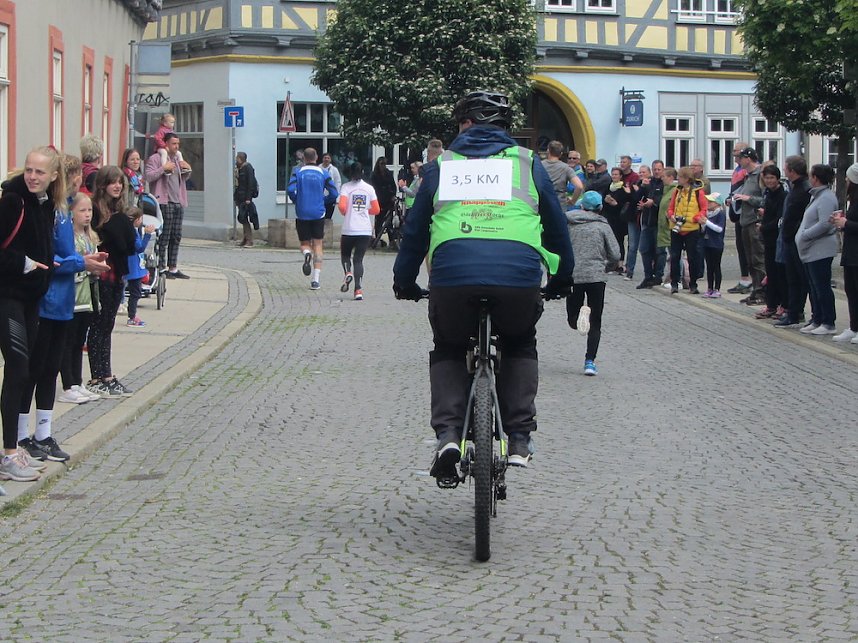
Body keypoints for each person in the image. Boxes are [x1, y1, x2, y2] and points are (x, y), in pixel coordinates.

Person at [392, 90, 574, 475]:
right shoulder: (528, 163)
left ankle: (447, 438)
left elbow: (415, 232)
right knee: (520, 340)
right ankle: (520, 439)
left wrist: (404, 281)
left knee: (448, 347)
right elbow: (557, 227)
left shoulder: (441, 165)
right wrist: (562, 278)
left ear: (465, 125)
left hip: (453, 276)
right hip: (518, 276)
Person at [0, 146, 67, 484]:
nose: (32, 176)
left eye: (40, 172)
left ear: (54, 176)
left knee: (26, 372)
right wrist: (26, 264)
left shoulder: (45, 204)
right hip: (8, 296)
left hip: (31, 298)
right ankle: (9, 453)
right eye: (29, 170)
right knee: (18, 369)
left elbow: (39, 247)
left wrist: (47, 263)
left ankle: (15, 447)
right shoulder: (13, 201)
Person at [87, 166, 138, 396]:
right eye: (113, 182)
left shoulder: (119, 212)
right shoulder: (96, 211)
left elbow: (129, 243)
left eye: (120, 182)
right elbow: (115, 239)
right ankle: (99, 376)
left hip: (118, 273)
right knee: (100, 325)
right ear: (103, 185)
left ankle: (105, 374)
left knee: (108, 325)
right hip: (102, 273)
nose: (117, 186)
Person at [564, 191, 620, 376]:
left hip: (574, 276)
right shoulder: (603, 226)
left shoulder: (569, 223)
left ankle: (578, 317)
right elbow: (615, 254)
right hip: (596, 277)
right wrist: (607, 265)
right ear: (600, 208)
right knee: (596, 321)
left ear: (581, 206)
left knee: (573, 318)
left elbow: (558, 245)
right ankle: (590, 362)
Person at [59, 193, 104, 403]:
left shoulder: (90, 237)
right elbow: (72, 265)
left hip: (88, 297)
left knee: (79, 342)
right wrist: (86, 266)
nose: (87, 215)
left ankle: (77, 381)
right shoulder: (70, 237)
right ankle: (68, 384)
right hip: (74, 298)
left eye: (90, 211)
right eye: (82, 211)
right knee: (68, 342)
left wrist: (97, 267)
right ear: (72, 213)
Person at [287, 147, 338, 290]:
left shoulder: (297, 172)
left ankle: (306, 253)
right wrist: (324, 201)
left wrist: (297, 200)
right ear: (316, 158)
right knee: (318, 245)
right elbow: (334, 193)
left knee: (304, 243)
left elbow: (290, 190)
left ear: (304, 158)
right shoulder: (323, 172)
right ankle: (315, 280)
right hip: (318, 213)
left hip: (302, 212)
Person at [796, 164, 839, 335]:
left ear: (816, 178)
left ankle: (828, 322)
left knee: (822, 287)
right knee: (814, 287)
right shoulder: (817, 196)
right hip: (811, 251)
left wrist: (805, 235)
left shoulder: (826, 197)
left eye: (811, 175)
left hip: (820, 250)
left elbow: (824, 223)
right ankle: (817, 318)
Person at [145, 132, 192, 279]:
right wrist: (163, 169)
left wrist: (187, 169)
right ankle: (161, 268)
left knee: (176, 235)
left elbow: (183, 178)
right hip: (163, 202)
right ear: (166, 144)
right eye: (173, 143)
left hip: (178, 201)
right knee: (164, 236)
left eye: (178, 144)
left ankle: (173, 268)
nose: (176, 146)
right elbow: (148, 176)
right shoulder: (155, 158)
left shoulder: (178, 159)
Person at [773, 155, 812, 328]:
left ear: (792, 171)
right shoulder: (796, 187)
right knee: (792, 278)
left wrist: (792, 233)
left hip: (796, 239)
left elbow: (799, 215)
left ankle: (796, 312)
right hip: (790, 238)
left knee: (798, 278)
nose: (784, 171)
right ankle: (793, 311)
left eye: (786, 168)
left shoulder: (803, 189)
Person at [337, 162, 380, 300]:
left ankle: (347, 272)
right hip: (364, 229)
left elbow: (342, 207)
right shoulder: (369, 188)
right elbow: (377, 210)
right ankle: (358, 290)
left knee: (345, 256)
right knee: (358, 260)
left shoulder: (346, 187)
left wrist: (348, 211)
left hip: (349, 228)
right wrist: (365, 210)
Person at [731, 147, 766, 305]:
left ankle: (762, 293)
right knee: (750, 260)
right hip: (744, 221)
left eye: (741, 157)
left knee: (758, 259)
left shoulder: (760, 175)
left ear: (749, 159)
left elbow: (765, 200)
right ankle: (755, 290)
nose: (738, 159)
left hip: (754, 222)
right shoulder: (748, 176)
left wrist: (747, 198)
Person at [667, 166, 707, 294]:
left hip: (691, 228)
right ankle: (674, 283)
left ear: (686, 178)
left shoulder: (697, 192)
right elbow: (671, 207)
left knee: (692, 257)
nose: (678, 179)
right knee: (674, 256)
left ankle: (693, 284)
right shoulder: (677, 191)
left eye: (680, 177)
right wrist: (671, 215)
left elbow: (704, 209)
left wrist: (696, 217)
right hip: (677, 228)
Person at [831, 162, 858, 343]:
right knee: (851, 290)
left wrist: (846, 224)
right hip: (851, 252)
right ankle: (854, 326)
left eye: (848, 178)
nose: (846, 181)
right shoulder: (853, 200)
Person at [756, 165, 788, 318]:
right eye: (766, 178)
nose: (769, 181)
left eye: (771, 178)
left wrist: (764, 226)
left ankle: (782, 305)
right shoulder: (767, 193)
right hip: (768, 239)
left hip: (777, 238)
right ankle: (771, 305)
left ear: (777, 178)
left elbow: (780, 218)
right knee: (770, 273)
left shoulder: (782, 195)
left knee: (778, 273)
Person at [726, 142, 752, 294]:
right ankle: (744, 278)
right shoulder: (737, 169)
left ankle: (750, 280)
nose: (734, 154)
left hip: (745, 214)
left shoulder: (747, 171)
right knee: (740, 247)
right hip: (737, 214)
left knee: (748, 248)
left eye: (736, 152)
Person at [125, 206, 156, 326]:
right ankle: (132, 316)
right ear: (137, 220)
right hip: (134, 268)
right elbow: (140, 248)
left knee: (129, 290)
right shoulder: (133, 233)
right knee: (135, 292)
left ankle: (131, 314)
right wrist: (147, 235)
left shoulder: (131, 231)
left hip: (133, 266)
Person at [637, 160, 665, 288]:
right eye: (655, 169)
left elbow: (663, 200)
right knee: (644, 249)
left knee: (659, 251)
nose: (657, 172)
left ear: (663, 169)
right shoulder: (649, 182)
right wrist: (642, 187)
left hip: (659, 222)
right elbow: (637, 198)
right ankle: (648, 276)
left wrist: (653, 202)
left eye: (659, 169)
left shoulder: (665, 183)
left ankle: (658, 276)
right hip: (647, 220)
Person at [600, 167, 632, 273]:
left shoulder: (623, 188)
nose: (614, 176)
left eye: (616, 174)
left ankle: (620, 264)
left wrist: (615, 204)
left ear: (620, 176)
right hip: (609, 217)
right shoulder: (609, 187)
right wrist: (606, 201)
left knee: (619, 241)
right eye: (613, 174)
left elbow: (626, 204)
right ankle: (611, 263)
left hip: (619, 219)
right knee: (609, 241)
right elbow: (603, 202)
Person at [541, 140, 583, 211]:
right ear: (561, 154)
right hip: (560, 204)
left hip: (543, 202)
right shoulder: (566, 168)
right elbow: (579, 186)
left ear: (548, 151)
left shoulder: (540, 165)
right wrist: (573, 201)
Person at [699, 192, 727, 298]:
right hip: (707, 243)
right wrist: (702, 224)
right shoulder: (708, 214)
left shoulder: (720, 214)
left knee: (716, 266)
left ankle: (717, 288)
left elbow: (719, 229)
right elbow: (704, 229)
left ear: (717, 203)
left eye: (711, 201)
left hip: (716, 244)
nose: (708, 203)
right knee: (709, 267)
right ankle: (709, 287)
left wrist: (707, 222)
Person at [656, 167, 678, 287]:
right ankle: (670, 277)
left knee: (674, 254)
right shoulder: (666, 190)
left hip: (670, 227)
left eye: (664, 176)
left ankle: (676, 279)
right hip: (664, 227)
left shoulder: (674, 190)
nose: (662, 178)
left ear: (670, 177)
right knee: (671, 254)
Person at [234, 152, 258, 247]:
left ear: (241, 159)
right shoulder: (239, 168)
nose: (236, 160)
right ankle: (245, 238)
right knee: (242, 218)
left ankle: (249, 240)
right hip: (240, 196)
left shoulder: (248, 168)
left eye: (237, 158)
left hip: (245, 197)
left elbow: (250, 183)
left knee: (244, 218)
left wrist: (249, 198)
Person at [370, 157, 397, 244]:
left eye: (385, 164)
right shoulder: (374, 175)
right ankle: (377, 240)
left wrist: (393, 195)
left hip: (389, 200)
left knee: (389, 221)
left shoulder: (388, 173)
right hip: (379, 201)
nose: (383, 166)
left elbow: (393, 185)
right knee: (379, 221)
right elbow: (373, 188)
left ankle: (392, 240)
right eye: (382, 164)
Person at [320, 153, 342, 219]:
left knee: (328, 216)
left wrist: (336, 193)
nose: (326, 159)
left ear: (330, 160)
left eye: (328, 158)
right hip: (320, 197)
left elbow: (338, 182)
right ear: (322, 159)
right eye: (325, 158)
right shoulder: (318, 168)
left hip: (331, 197)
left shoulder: (334, 170)